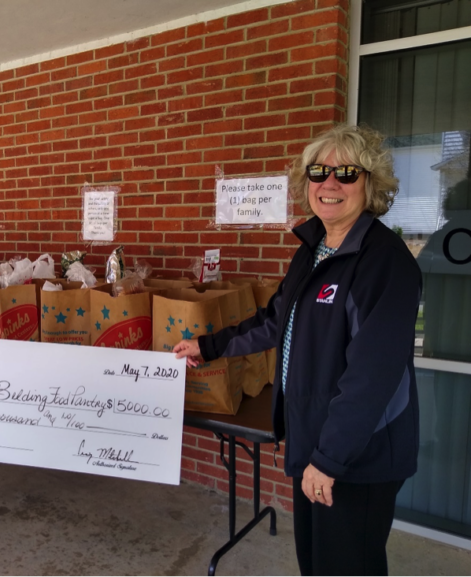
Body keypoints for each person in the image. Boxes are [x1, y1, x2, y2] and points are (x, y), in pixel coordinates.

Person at [173, 125, 421, 577]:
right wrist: (207, 346)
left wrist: (329, 459)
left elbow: (373, 375)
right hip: (314, 440)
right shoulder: (313, 251)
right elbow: (275, 322)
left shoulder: (384, 262)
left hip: (356, 455)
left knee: (348, 566)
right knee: (316, 563)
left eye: (346, 172)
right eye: (318, 171)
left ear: (371, 184)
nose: (330, 183)